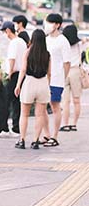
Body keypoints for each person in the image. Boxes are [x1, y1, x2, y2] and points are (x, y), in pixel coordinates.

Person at [14, 29, 51, 149]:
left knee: (24, 114)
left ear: (33, 39)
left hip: (29, 82)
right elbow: (49, 73)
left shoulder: (28, 52)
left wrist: (18, 85)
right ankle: (35, 141)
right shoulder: (47, 54)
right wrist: (48, 85)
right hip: (43, 83)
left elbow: (23, 70)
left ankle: (22, 140)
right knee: (39, 115)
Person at [41, 14, 71, 147]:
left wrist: (62, 77)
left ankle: (55, 136)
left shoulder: (62, 41)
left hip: (56, 79)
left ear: (57, 25)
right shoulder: (46, 40)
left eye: (50, 23)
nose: (47, 25)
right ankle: (46, 134)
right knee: (41, 107)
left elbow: (67, 62)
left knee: (55, 106)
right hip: (43, 78)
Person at [0, 21, 27, 136]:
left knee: (4, 101)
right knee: (16, 102)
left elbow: (12, 58)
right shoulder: (21, 41)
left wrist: (9, 73)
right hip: (21, 75)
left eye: (4, 32)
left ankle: (4, 128)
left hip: (13, 74)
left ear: (7, 31)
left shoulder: (14, 43)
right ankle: (16, 128)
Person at [61, 25, 85, 132]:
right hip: (75, 71)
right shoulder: (80, 44)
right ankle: (74, 124)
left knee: (65, 101)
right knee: (76, 100)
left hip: (64, 71)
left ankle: (65, 124)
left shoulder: (63, 44)